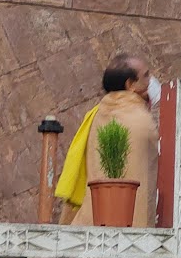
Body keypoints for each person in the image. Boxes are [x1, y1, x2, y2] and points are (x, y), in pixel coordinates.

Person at [55, 52, 161, 226]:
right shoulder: (139, 119)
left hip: (92, 219)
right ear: (131, 84)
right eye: (146, 75)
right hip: (129, 225)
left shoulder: (98, 113)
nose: (151, 80)